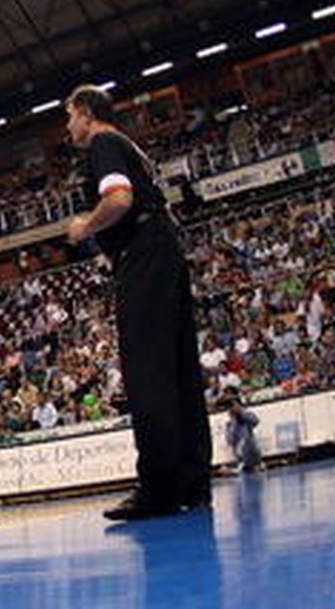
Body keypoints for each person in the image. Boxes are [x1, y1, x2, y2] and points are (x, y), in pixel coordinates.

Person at [64, 85, 211, 521]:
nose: (68, 127)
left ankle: (158, 488)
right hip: (164, 250)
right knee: (180, 370)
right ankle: (191, 481)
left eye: (69, 116)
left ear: (86, 113)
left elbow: (119, 199)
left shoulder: (104, 143)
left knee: (148, 371)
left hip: (142, 255)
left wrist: (86, 225)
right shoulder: (129, 146)